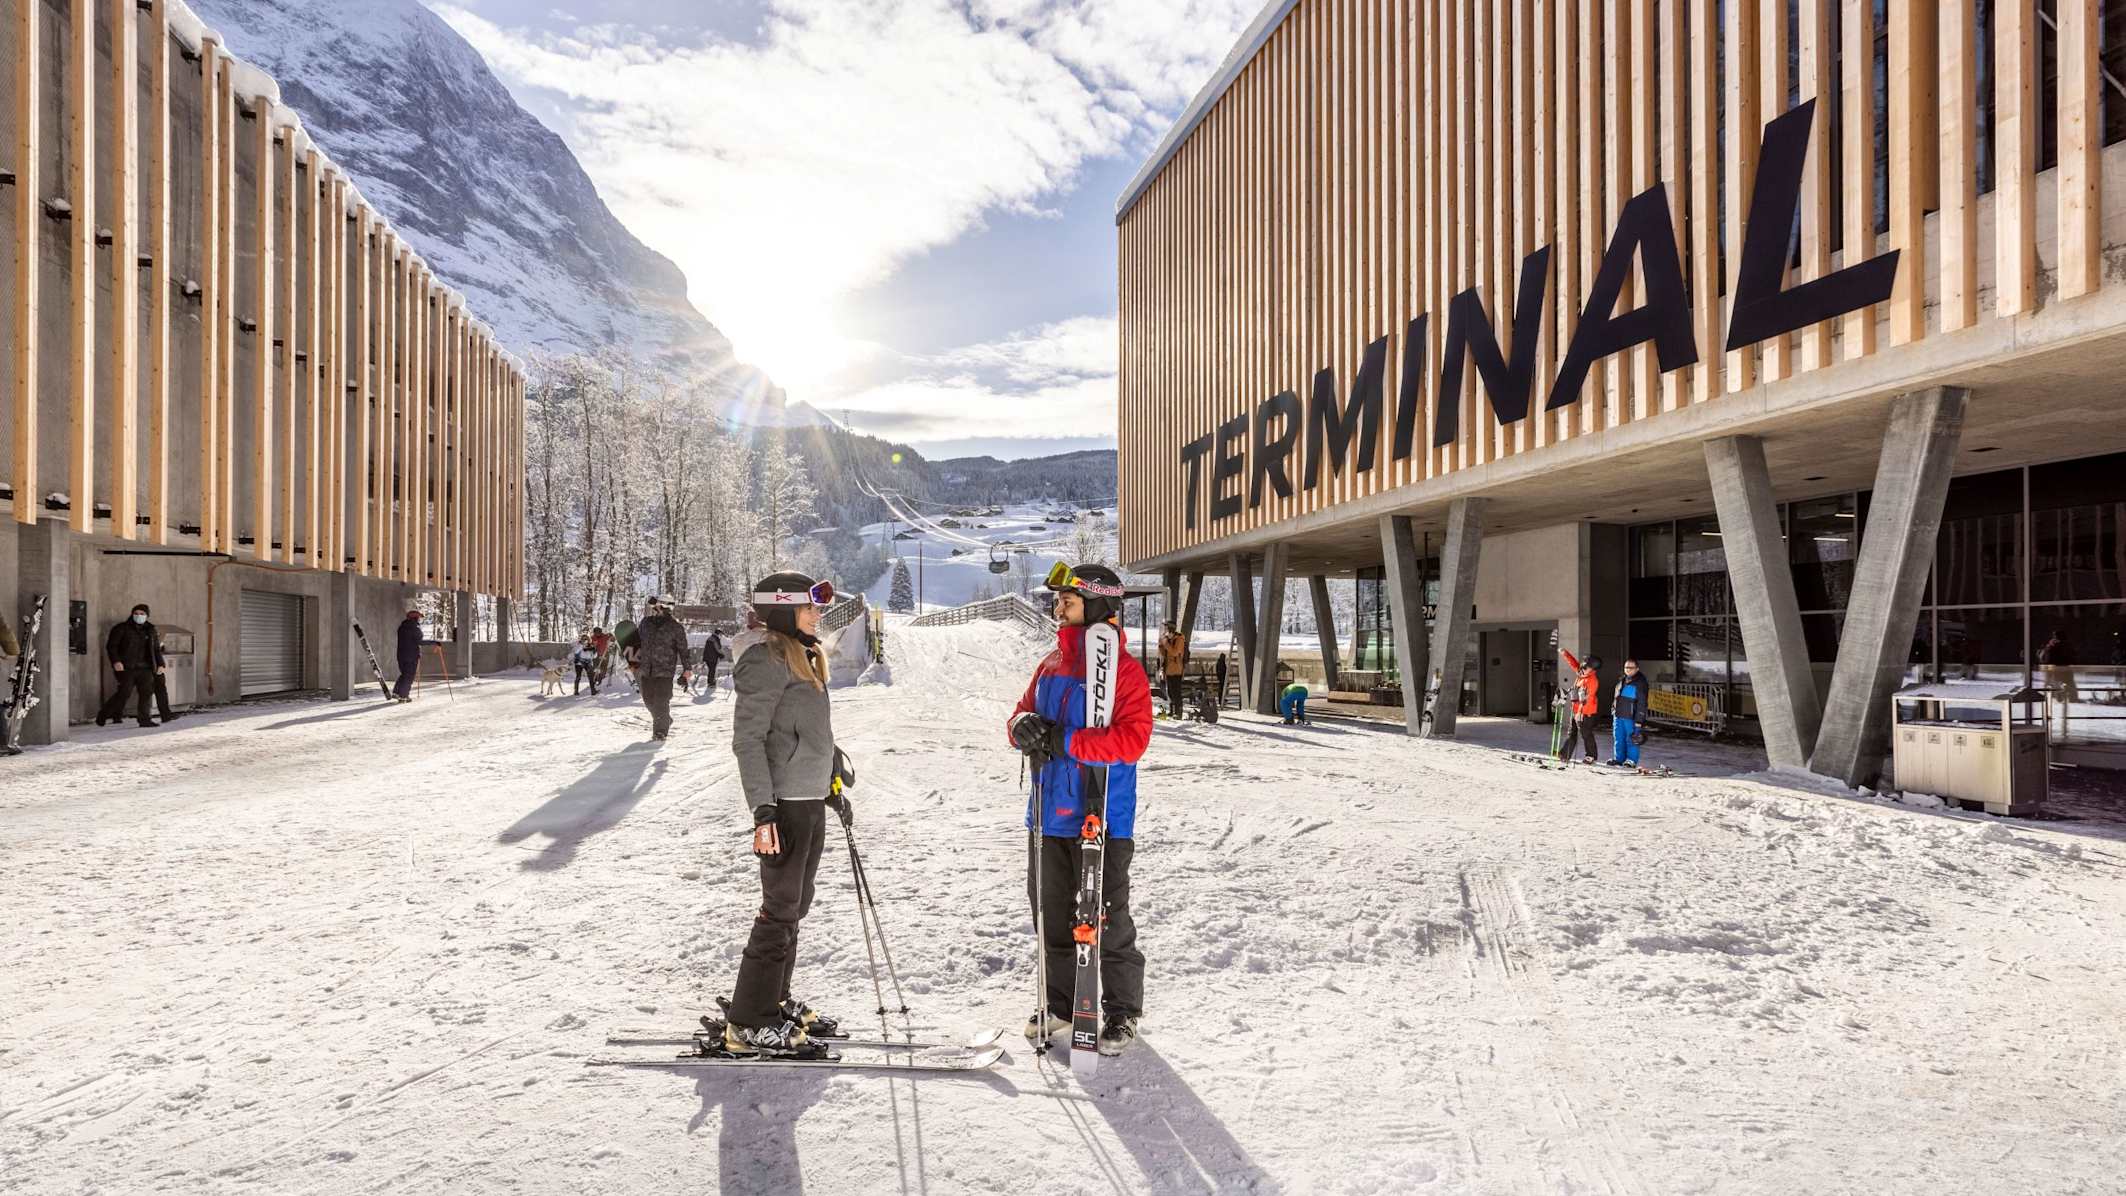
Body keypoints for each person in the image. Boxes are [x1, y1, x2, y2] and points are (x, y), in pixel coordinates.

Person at [1007, 562, 1154, 1057]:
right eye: (1057, 602)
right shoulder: (1050, 664)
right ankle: (1062, 1004)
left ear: (1095, 606)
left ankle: (1121, 1011)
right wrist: (1022, 727)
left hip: (1103, 816)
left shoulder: (1125, 674)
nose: (1057, 609)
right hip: (1047, 816)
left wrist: (1064, 739)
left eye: (1066, 602)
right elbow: (1020, 715)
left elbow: (1132, 741)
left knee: (1106, 918)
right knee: (1051, 916)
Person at [721, 571, 846, 1054]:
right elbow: (747, 741)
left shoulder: (803, 656)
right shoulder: (765, 660)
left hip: (808, 798)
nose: (818, 615)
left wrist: (830, 777)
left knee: (795, 908)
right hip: (783, 807)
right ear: (782, 610)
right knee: (778, 912)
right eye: (809, 607)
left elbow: (810, 733)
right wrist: (763, 811)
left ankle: (775, 999)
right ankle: (749, 1019)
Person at [95, 604, 165, 728]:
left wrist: (160, 664)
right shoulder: (121, 628)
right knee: (124, 693)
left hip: (146, 668)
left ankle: (144, 720)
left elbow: (156, 649)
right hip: (127, 668)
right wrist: (116, 661)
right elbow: (112, 647)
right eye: (136, 613)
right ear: (132, 614)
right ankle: (104, 714)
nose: (139, 616)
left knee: (146, 693)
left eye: (142, 614)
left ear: (147, 616)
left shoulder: (151, 629)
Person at [632, 597, 691, 740]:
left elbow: (683, 650)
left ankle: (660, 732)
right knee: (648, 700)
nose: (654, 609)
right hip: (646, 668)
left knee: (661, 700)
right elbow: (636, 642)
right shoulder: (645, 623)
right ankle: (665, 719)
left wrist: (687, 669)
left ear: (664, 608)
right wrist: (633, 659)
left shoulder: (675, 627)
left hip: (665, 670)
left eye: (656, 606)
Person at [1555, 648, 1601, 763]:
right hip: (1575, 710)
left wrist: (1580, 713)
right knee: (1572, 732)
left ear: (1593, 670)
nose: (1583, 669)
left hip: (1585, 712)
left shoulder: (1592, 681)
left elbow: (1587, 700)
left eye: (1587, 668)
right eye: (1584, 666)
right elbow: (1573, 663)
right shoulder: (1582, 673)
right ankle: (1564, 754)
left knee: (1586, 734)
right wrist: (1564, 653)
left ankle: (1591, 756)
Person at [1609, 659, 1650, 770]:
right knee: (1618, 738)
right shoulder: (1622, 680)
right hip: (1618, 715)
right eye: (1626, 667)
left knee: (1632, 739)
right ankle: (1619, 759)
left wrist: (1639, 720)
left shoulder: (1640, 683)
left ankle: (1631, 760)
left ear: (1637, 669)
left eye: (1631, 668)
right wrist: (1613, 710)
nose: (1628, 670)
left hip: (1631, 717)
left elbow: (1642, 703)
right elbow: (1616, 698)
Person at [390, 609, 433, 702]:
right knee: (409, 676)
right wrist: (434, 642)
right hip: (411, 656)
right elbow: (419, 641)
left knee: (404, 674)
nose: (420, 620)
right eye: (419, 618)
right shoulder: (414, 628)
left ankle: (396, 692)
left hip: (401, 655)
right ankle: (403, 696)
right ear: (415, 618)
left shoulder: (402, 627)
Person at [2040, 629, 2077, 735]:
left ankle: (2058, 697)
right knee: (2069, 684)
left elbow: (2046, 657)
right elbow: (2073, 656)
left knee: (2055, 684)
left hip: (2055, 669)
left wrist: (2048, 648)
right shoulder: (2068, 645)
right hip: (2066, 669)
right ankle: (2071, 697)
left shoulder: (2053, 645)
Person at [1156, 621, 1188, 718]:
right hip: (1168, 669)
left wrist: (1165, 644)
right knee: (1170, 691)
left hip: (1176, 669)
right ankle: (1172, 710)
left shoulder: (1179, 638)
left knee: (1176, 691)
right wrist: (1161, 645)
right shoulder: (1168, 639)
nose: (1165, 631)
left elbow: (1175, 652)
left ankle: (1178, 712)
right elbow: (1164, 654)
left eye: (1166, 628)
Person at [700, 626, 726, 697]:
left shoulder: (710, 638)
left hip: (708, 657)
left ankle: (711, 682)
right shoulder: (715, 639)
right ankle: (711, 683)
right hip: (712, 658)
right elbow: (718, 648)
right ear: (718, 634)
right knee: (712, 670)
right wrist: (722, 655)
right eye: (721, 634)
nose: (721, 636)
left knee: (711, 670)